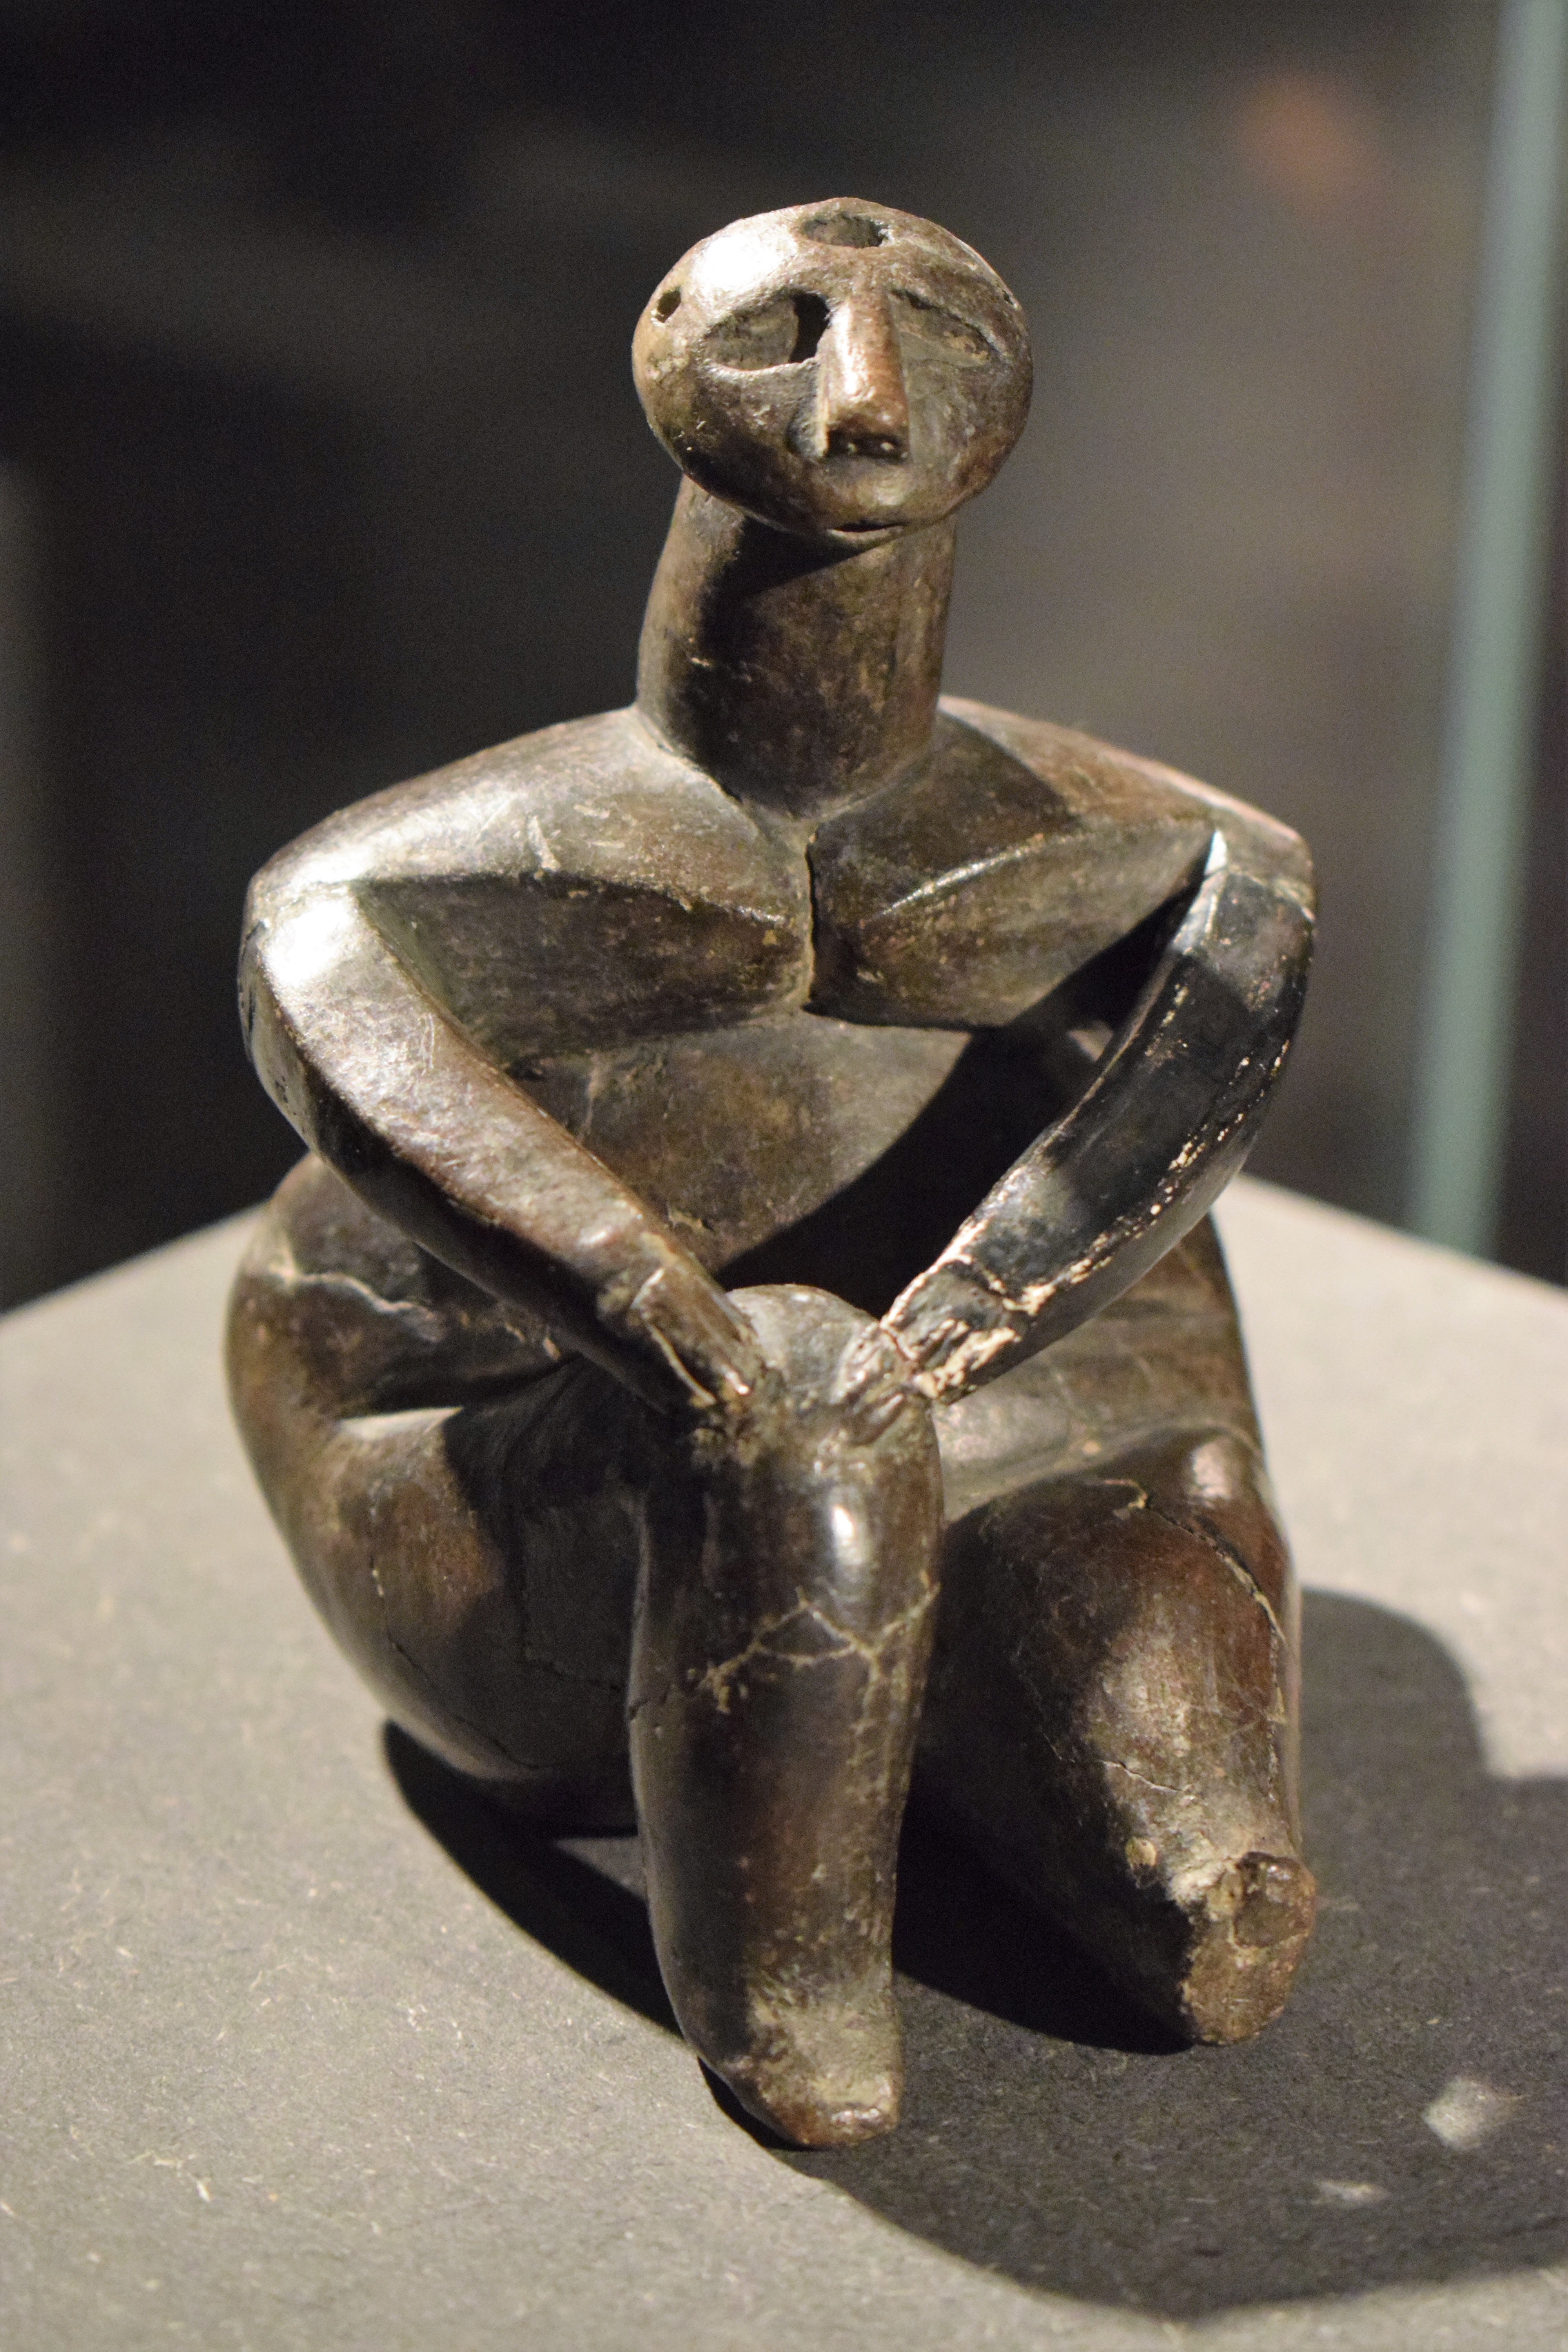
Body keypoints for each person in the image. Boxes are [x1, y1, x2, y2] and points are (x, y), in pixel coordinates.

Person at [228, 199, 1316, 2148]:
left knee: (1188, 1776)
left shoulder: (1185, 862)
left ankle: (1070, 1790)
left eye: (933, 344)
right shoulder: (398, 883)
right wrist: (648, 1303)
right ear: (672, 355)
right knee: (792, 1404)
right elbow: (335, 1013)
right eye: (786, 335)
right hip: (506, 1455)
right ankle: (784, 1979)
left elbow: (1227, 999)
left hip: (990, 1420)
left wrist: (991, 1299)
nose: (865, 398)